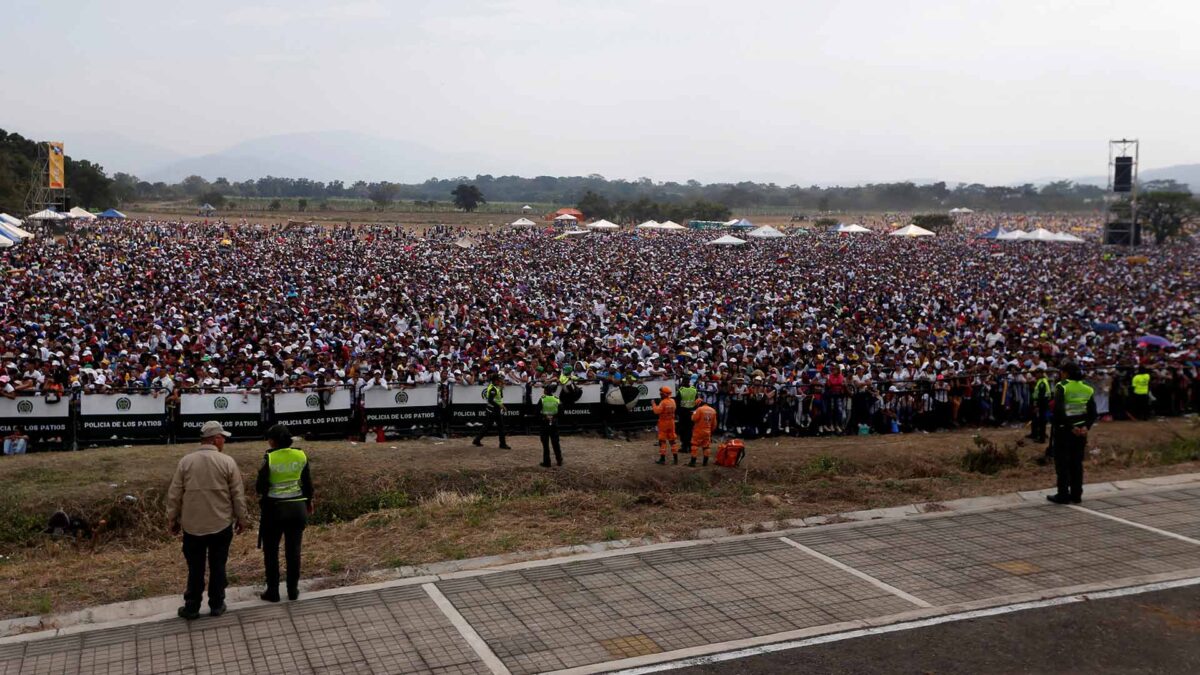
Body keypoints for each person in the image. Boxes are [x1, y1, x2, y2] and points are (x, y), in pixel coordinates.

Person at [166, 421, 249, 620]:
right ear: (215, 439)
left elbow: (175, 494)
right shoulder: (227, 462)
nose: (225, 441)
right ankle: (217, 604)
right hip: (220, 524)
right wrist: (242, 519)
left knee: (195, 568)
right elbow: (237, 494)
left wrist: (172, 519)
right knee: (218, 565)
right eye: (223, 437)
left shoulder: (186, 462)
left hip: (192, 526)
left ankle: (192, 606)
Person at [256, 424, 313, 602]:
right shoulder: (300, 454)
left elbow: (260, 487)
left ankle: (273, 591)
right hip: (297, 508)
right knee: (293, 551)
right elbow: (308, 483)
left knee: (271, 551)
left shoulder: (270, 458)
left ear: (272, 441)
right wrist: (309, 502)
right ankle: (293, 590)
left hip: (274, 510)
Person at [1047, 362, 1096, 505]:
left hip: (1065, 430)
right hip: (1081, 431)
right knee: (1077, 463)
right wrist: (1086, 427)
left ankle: (1063, 494)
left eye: (1061, 372)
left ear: (1066, 373)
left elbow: (1059, 410)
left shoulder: (1062, 386)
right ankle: (1076, 494)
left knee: (1062, 463)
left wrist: (1070, 426)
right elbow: (1092, 412)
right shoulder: (1088, 388)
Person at [472, 374, 511, 449]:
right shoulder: (493, 389)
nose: (500, 381)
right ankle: (502, 444)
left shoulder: (494, 387)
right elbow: (490, 400)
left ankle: (477, 440)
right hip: (494, 410)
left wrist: (501, 404)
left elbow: (497, 398)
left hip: (492, 410)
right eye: (498, 380)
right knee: (501, 427)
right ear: (495, 381)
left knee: (487, 427)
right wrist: (500, 406)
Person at [537, 383, 563, 467]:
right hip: (554, 423)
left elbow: (536, 412)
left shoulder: (542, 399)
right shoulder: (557, 399)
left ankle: (547, 462)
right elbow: (561, 413)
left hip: (544, 423)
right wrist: (554, 417)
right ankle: (559, 460)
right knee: (556, 443)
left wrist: (545, 416)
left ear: (546, 391)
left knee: (545, 445)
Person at [653, 386, 679, 464]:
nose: (660, 394)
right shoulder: (673, 401)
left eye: (661, 393)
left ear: (664, 394)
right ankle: (675, 460)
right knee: (672, 441)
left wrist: (653, 404)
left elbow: (657, 411)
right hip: (671, 423)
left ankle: (662, 459)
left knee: (662, 441)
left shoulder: (663, 402)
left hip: (664, 423)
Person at [689, 397, 718, 467]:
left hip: (698, 431)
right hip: (707, 431)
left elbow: (693, 419)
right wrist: (710, 431)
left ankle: (693, 462)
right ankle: (705, 462)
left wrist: (694, 413)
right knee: (706, 446)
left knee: (694, 445)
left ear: (698, 404)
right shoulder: (713, 411)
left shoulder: (699, 409)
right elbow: (714, 424)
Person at [676, 376, 699, 457]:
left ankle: (684, 446)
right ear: (689, 381)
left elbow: (677, 403)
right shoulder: (694, 389)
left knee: (683, 430)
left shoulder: (680, 390)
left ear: (683, 381)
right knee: (690, 429)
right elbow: (697, 402)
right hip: (691, 412)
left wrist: (677, 414)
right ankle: (690, 445)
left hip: (683, 412)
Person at [1028, 366, 1051, 443]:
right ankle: (1035, 434)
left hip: (1041, 404)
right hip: (1040, 403)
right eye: (1036, 373)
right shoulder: (1041, 381)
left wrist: (1037, 406)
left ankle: (1041, 438)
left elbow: (1041, 396)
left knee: (1041, 421)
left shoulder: (1042, 382)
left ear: (1041, 374)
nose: (1036, 375)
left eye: (1038, 373)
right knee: (1036, 419)